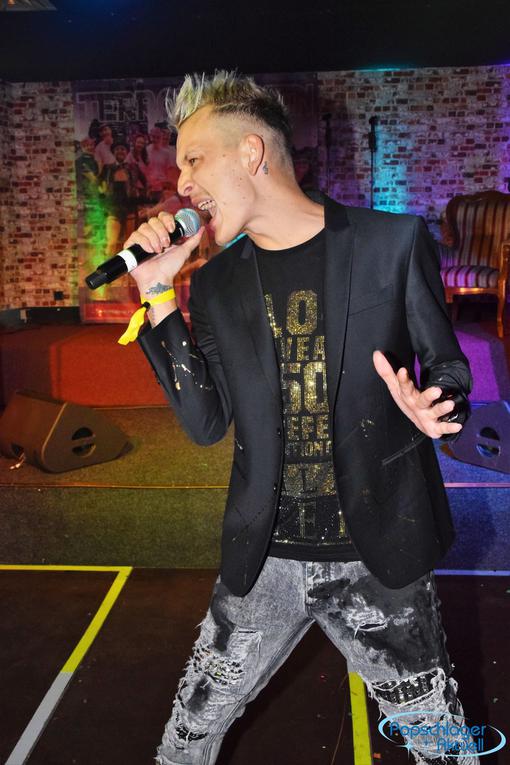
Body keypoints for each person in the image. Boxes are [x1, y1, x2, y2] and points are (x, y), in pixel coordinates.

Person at [122, 71, 477, 765]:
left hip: (380, 557)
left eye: (194, 160)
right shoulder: (217, 282)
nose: (182, 183)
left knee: (442, 749)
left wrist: (438, 403)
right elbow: (205, 422)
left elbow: (449, 368)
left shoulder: (393, 242)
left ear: (251, 152)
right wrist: (159, 293)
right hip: (265, 561)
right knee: (185, 742)